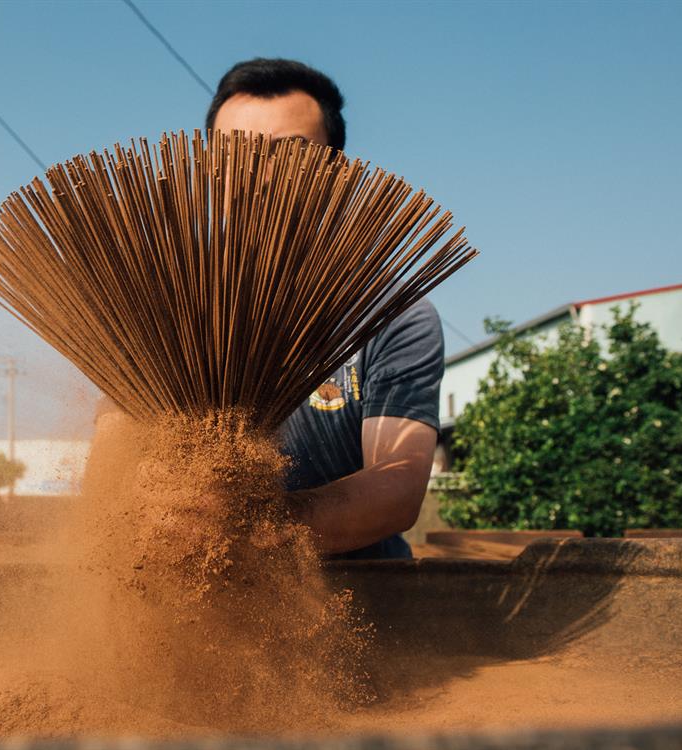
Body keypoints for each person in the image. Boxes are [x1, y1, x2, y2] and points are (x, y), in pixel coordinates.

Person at [95, 58, 444, 560]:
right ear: (211, 170)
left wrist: (245, 527)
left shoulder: (392, 314)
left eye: (290, 155)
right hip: (180, 602)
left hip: (363, 607)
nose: (260, 176)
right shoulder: (164, 301)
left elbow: (396, 488)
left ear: (333, 170)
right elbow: (110, 469)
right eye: (238, 154)